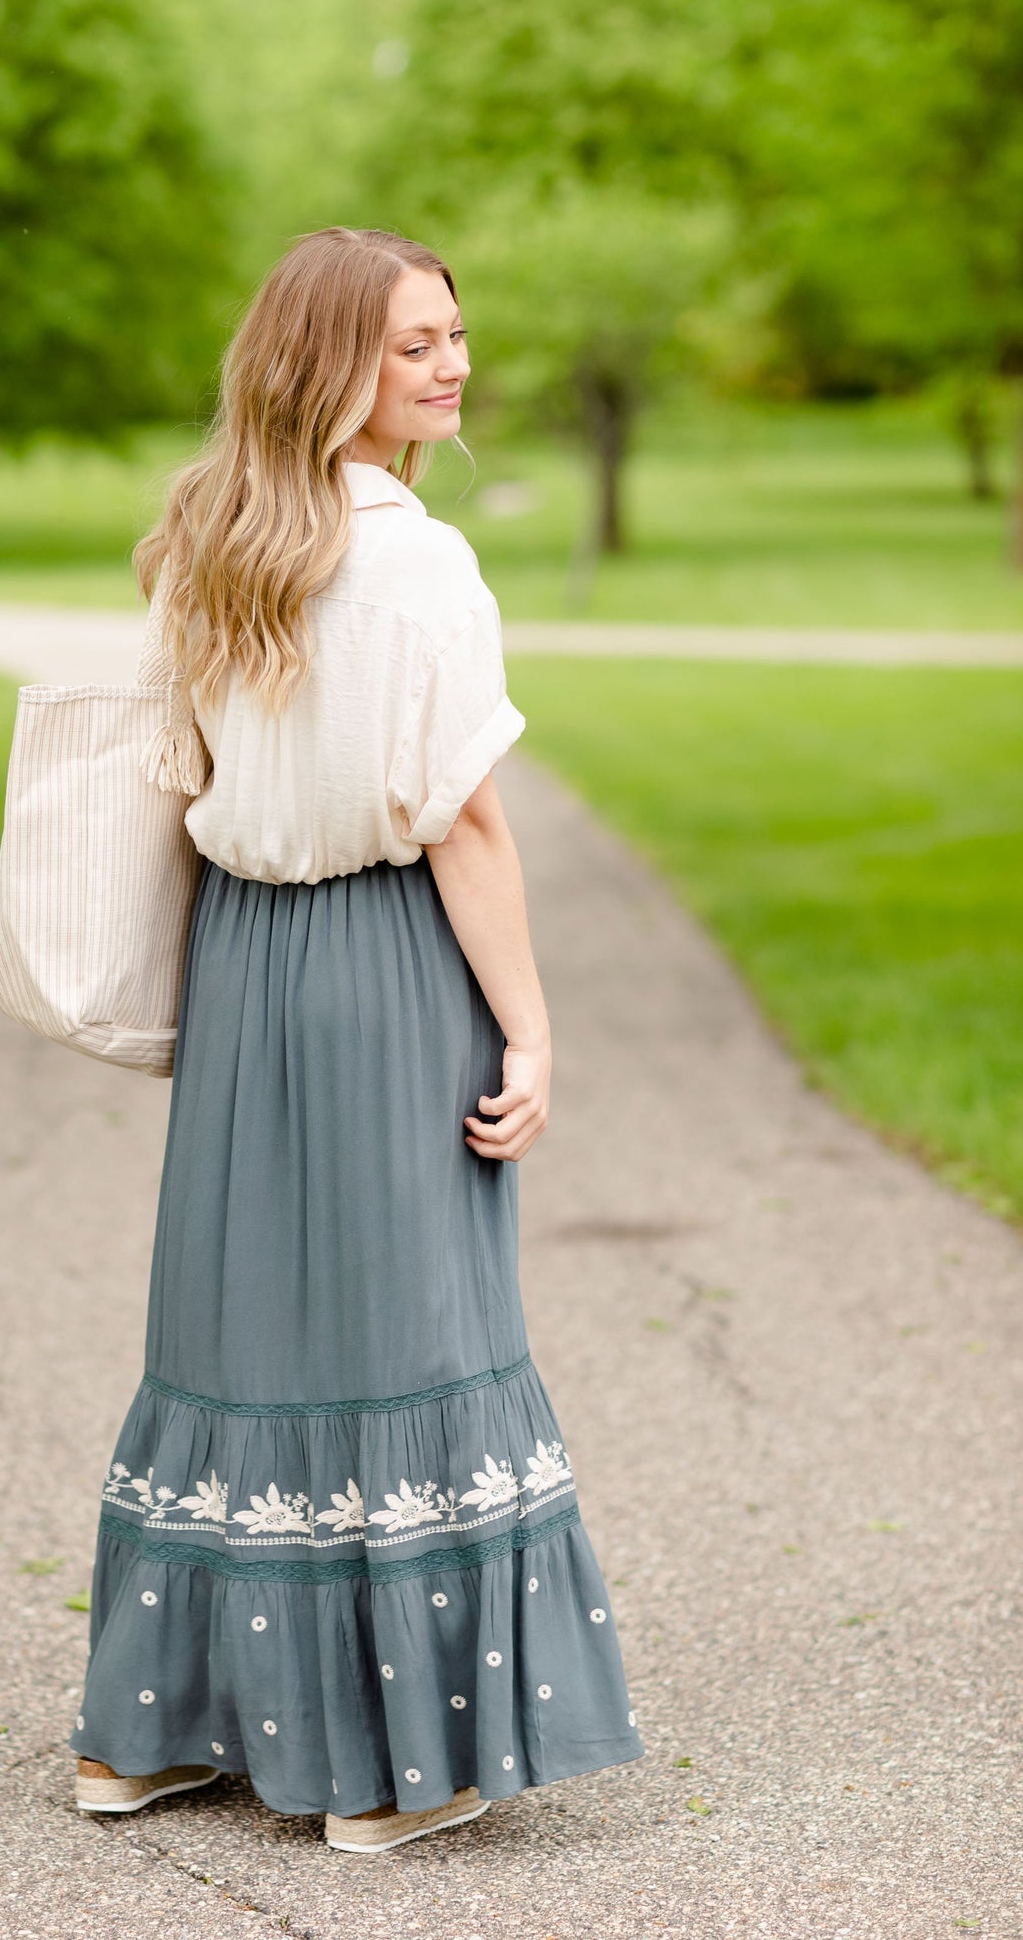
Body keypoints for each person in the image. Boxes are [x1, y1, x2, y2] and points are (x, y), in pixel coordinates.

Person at [70, 227, 642, 1853]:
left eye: (455, 333)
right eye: (411, 344)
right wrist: (527, 1025)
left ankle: (148, 1734)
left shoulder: (207, 539)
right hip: (384, 957)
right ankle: (398, 1766)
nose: (449, 364)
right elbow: (461, 820)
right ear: (331, 366)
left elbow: (174, 772)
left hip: (247, 963)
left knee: (234, 1328)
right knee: (407, 1331)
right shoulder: (414, 564)